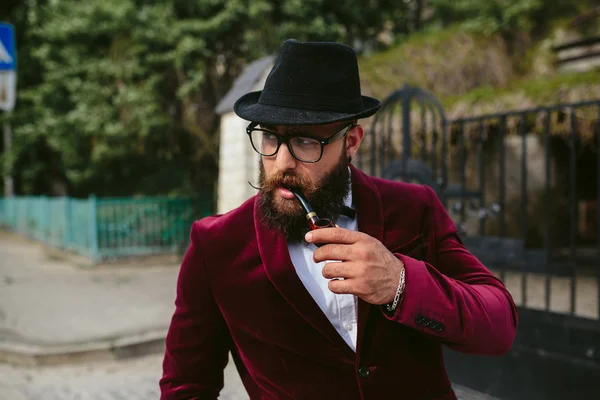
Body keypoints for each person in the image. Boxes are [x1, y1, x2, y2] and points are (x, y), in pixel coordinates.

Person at [159, 39, 518, 400]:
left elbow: (499, 326)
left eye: (304, 142)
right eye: (269, 137)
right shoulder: (215, 244)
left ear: (351, 142)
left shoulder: (414, 208)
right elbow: (185, 387)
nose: (281, 162)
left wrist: (400, 284)